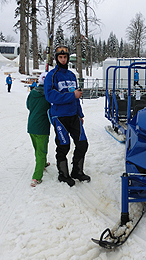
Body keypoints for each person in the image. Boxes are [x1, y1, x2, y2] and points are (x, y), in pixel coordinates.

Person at [43, 45, 90, 187]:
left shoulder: (71, 75)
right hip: (59, 117)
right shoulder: (52, 75)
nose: (63, 60)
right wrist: (71, 95)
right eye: (60, 57)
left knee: (82, 143)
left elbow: (76, 97)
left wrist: (80, 114)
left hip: (74, 115)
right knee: (64, 145)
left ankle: (77, 171)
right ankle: (63, 174)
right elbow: (50, 96)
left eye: (65, 57)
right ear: (56, 58)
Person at [26, 72, 51, 187]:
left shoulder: (33, 93)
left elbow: (28, 106)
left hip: (31, 125)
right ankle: (37, 177)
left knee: (37, 147)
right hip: (42, 127)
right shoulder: (49, 95)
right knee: (41, 151)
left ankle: (44, 163)